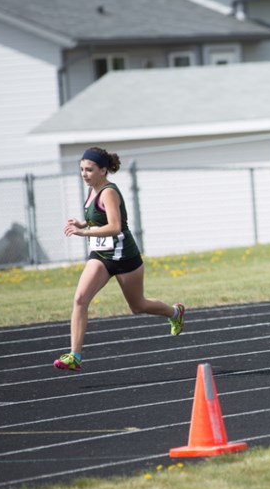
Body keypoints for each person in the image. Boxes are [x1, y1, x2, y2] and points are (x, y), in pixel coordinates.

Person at [57, 147, 185, 371]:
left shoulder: (108, 191)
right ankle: (75, 355)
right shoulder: (93, 190)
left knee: (138, 306)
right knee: (79, 299)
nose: (84, 174)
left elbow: (115, 226)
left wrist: (84, 233)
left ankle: (175, 313)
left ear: (103, 170)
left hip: (125, 257)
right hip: (101, 255)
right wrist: (82, 223)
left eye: (89, 169)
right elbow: (99, 217)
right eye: (81, 169)